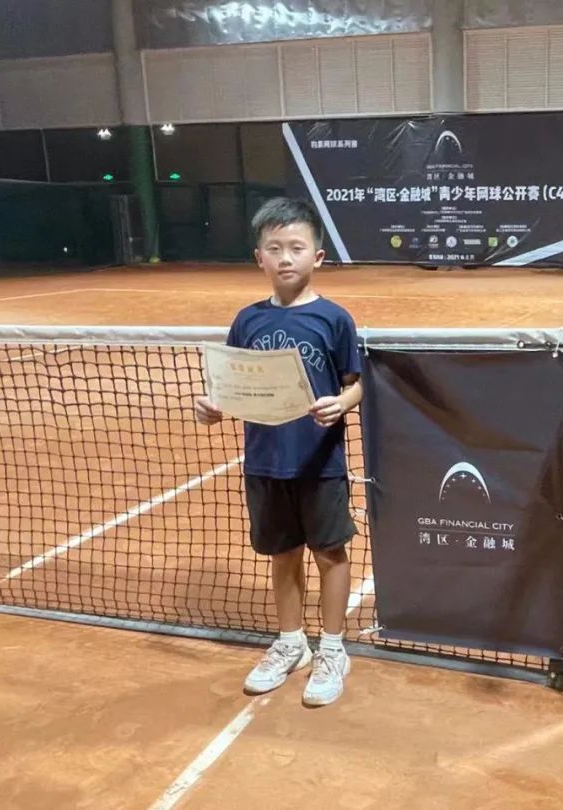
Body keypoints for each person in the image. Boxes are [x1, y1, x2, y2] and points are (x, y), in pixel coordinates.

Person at [195, 197, 362, 707]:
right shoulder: (247, 320)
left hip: (320, 461)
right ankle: (291, 642)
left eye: (296, 247)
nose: (285, 257)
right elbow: (230, 385)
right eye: (274, 248)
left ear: (318, 256)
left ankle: (332, 648)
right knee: (282, 553)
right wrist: (212, 407)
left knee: (330, 553)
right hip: (265, 460)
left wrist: (343, 402)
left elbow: (356, 382)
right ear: (259, 258)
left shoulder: (335, 319)